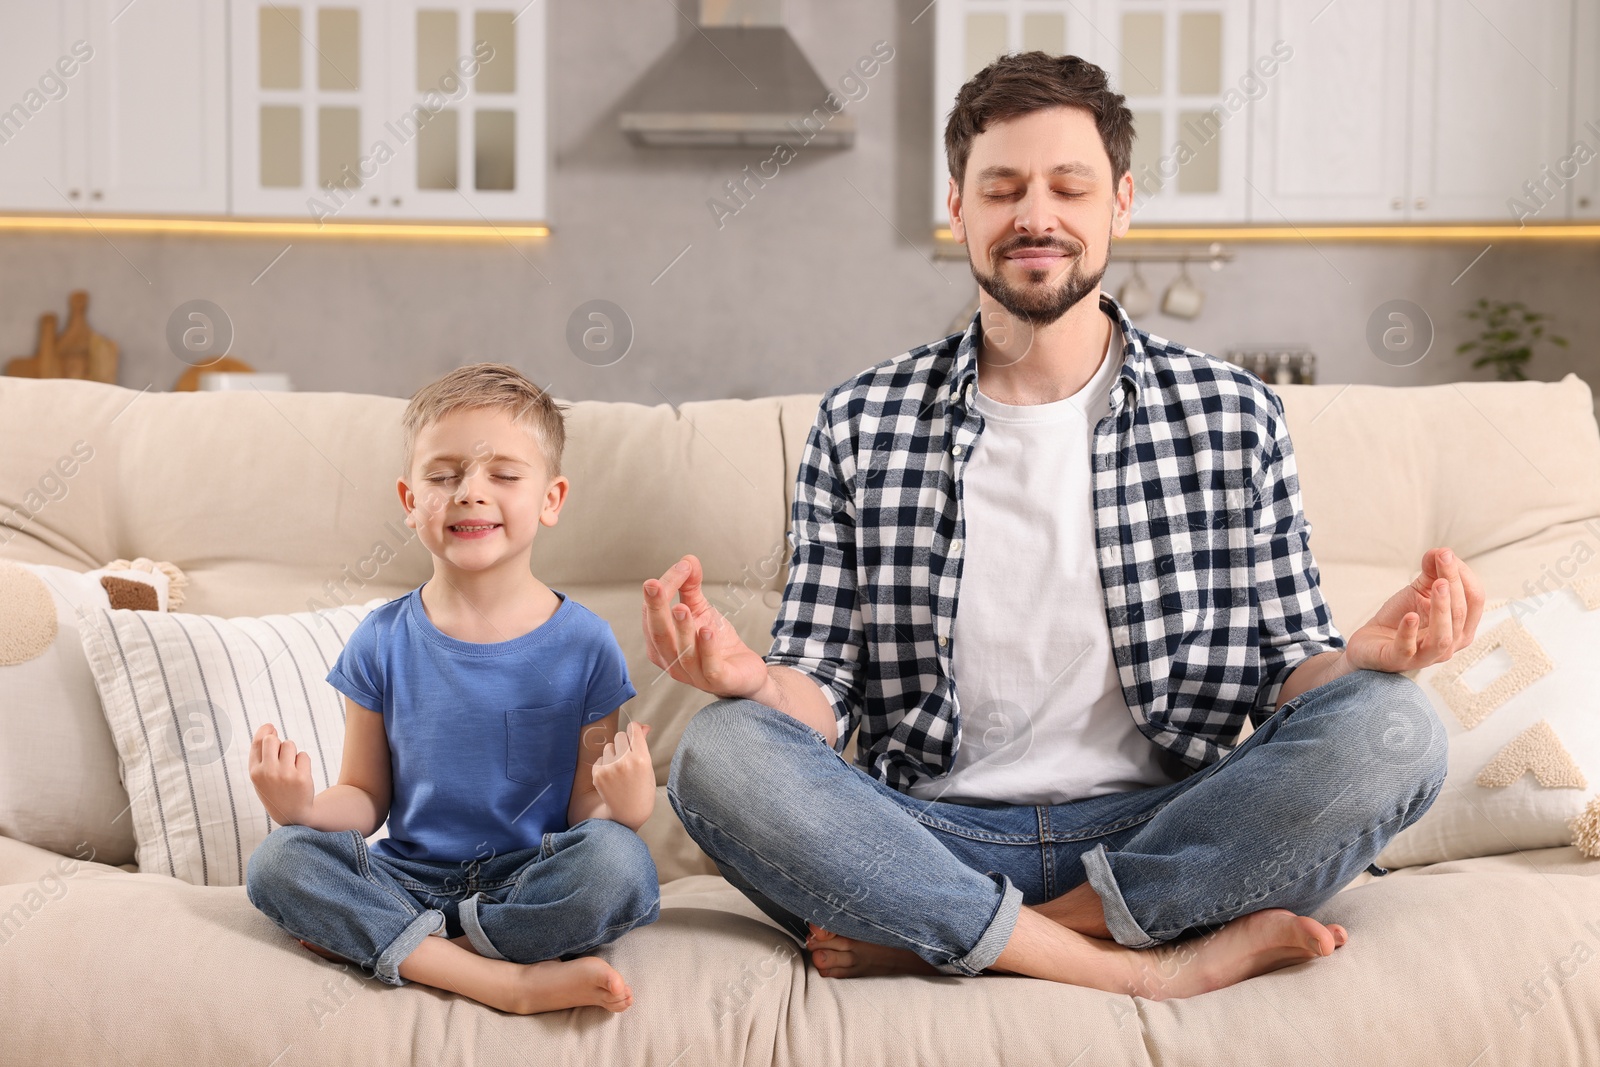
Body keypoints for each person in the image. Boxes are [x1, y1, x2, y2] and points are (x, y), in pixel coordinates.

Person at [647, 52, 1480, 1000]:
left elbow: (1290, 675)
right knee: (722, 752)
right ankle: (1143, 967)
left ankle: (976, 939)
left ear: (1119, 202)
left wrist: (1364, 660)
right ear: (958, 208)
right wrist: (750, 678)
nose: (1035, 216)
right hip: (926, 836)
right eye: (1001, 188)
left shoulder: (1232, 413)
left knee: (1396, 726)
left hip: (1166, 827)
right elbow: (821, 687)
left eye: (1068, 187)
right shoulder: (861, 419)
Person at [246, 363, 660, 1015]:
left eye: (502, 474)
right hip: (407, 877)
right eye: (444, 476)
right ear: (411, 502)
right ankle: (504, 980)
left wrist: (628, 809)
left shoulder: (586, 645)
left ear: (550, 498)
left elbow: (586, 815)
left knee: (619, 863)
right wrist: (304, 809)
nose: (470, 492)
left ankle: (418, 948)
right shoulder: (380, 640)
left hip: (530, 877)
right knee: (280, 860)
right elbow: (364, 795)